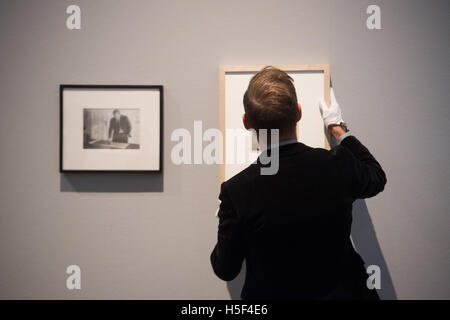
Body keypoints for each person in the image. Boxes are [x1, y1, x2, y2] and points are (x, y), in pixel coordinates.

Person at [210, 66, 387, 300]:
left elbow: (225, 269)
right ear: (299, 112)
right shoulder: (338, 164)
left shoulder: (237, 191)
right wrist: (338, 129)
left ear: (246, 122)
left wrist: (230, 221)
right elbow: (376, 177)